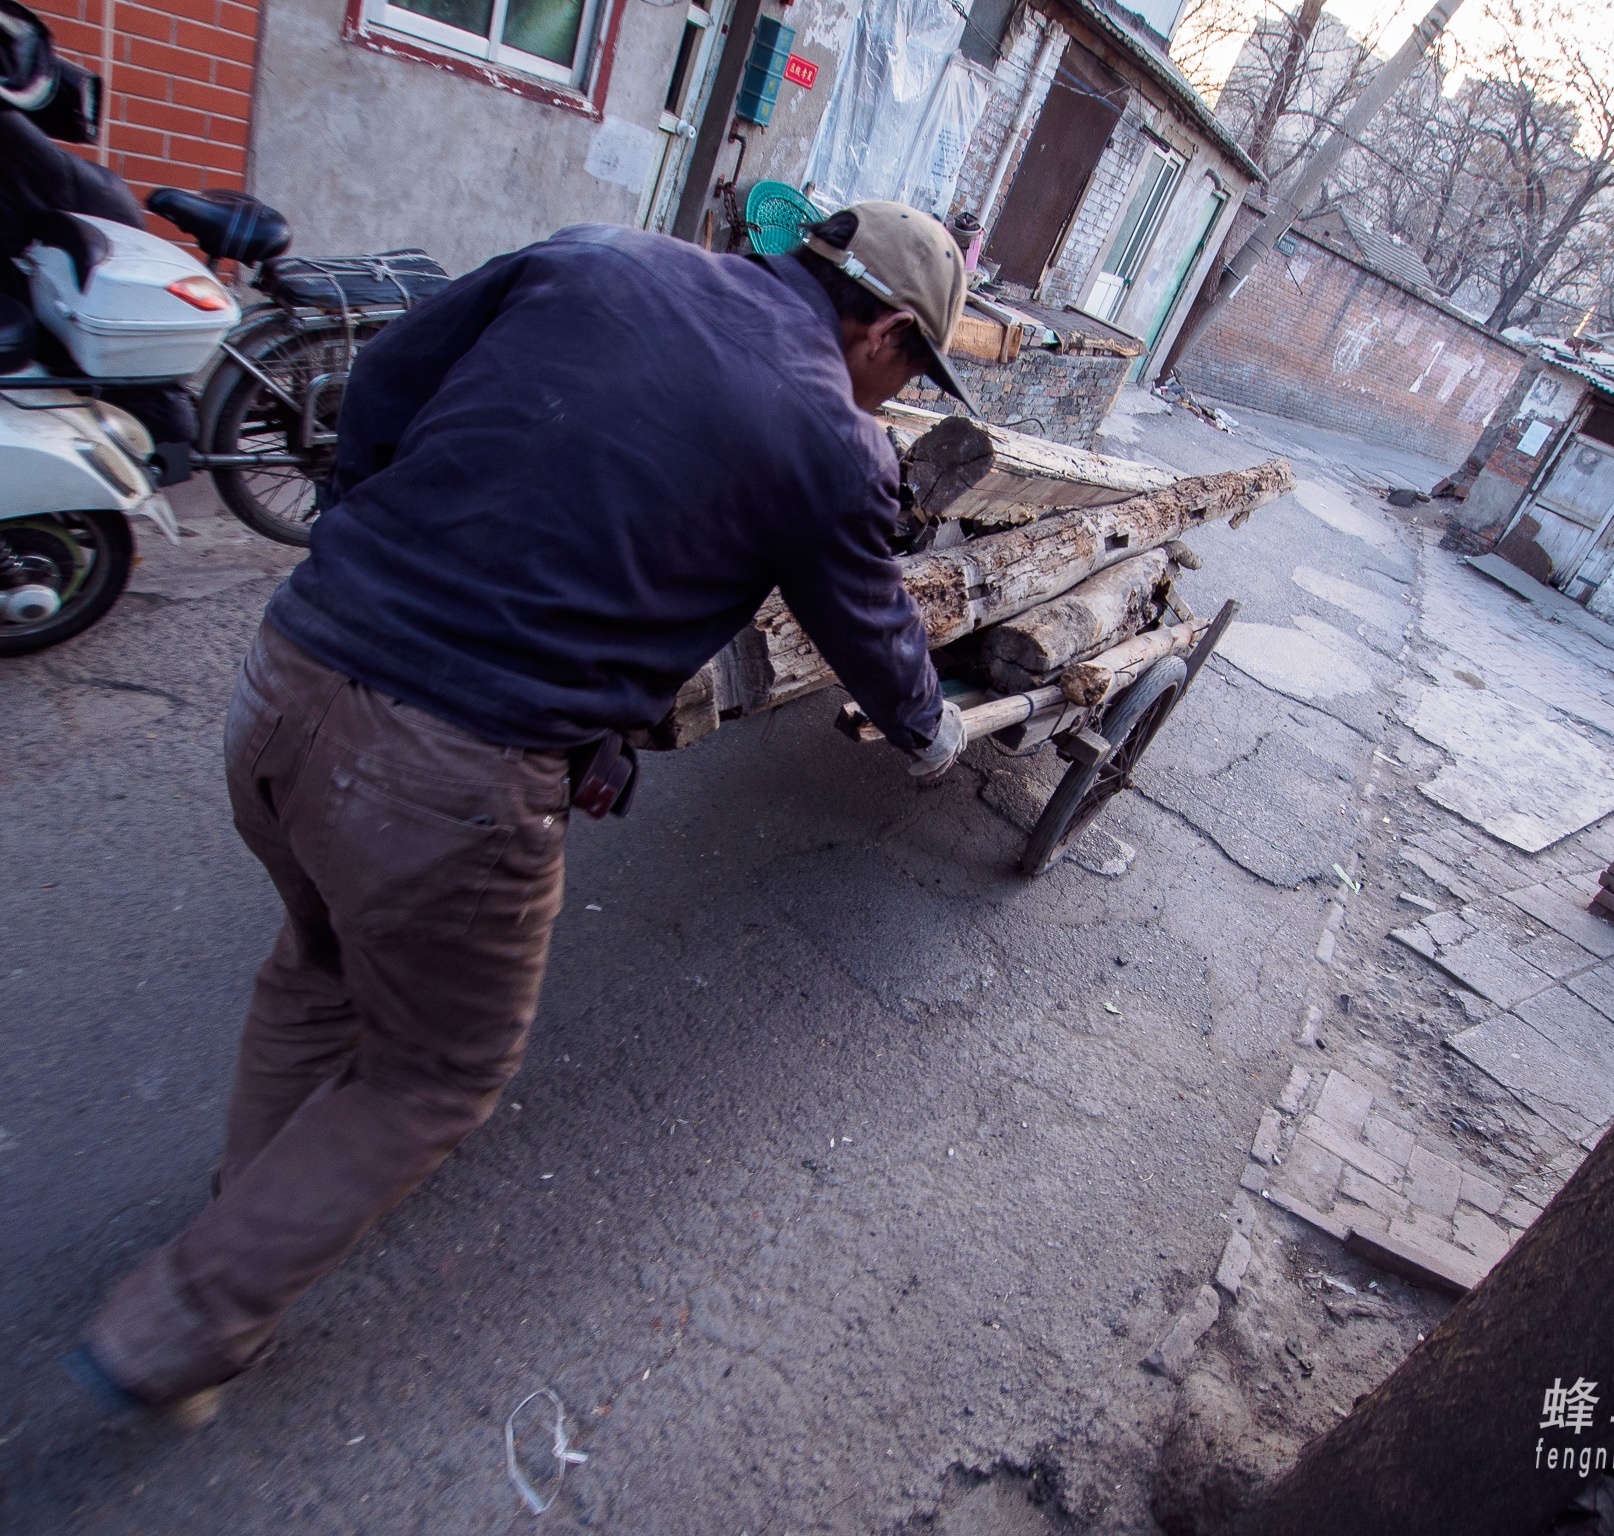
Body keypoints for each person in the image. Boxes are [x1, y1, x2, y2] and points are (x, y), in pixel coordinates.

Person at [64, 202, 976, 1424]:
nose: (896, 397)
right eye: (913, 370)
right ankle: (179, 1322)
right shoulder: (830, 436)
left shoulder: (592, 260)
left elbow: (385, 378)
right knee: (437, 1071)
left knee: (321, 960)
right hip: (442, 779)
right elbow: (868, 629)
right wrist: (933, 731)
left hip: (285, 679)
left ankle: (252, 1202)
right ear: (891, 333)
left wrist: (375, 551)